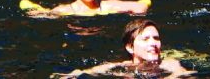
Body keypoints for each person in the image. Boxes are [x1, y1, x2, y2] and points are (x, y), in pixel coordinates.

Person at [62, 20, 196, 77]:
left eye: (156, 38)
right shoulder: (124, 65)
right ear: (130, 47)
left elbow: (180, 74)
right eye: (145, 39)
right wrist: (73, 74)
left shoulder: (169, 63)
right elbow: (93, 71)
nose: (153, 43)